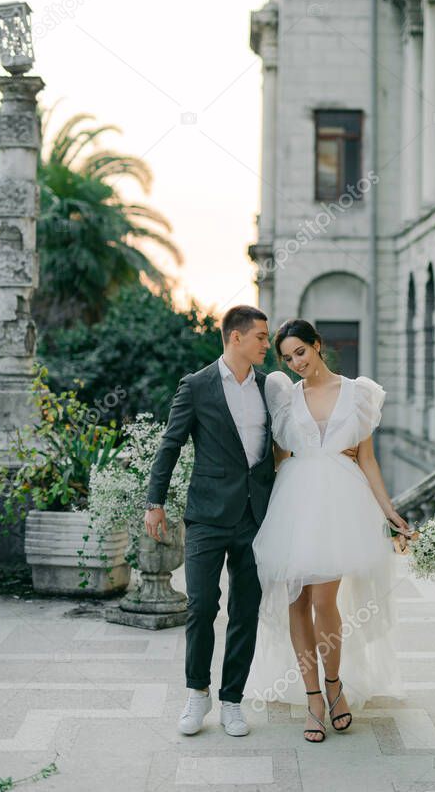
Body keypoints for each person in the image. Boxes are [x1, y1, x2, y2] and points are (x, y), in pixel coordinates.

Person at [243, 318, 411, 743]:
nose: (295, 362)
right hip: (296, 501)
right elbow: (280, 456)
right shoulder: (285, 396)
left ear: (318, 346)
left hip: (340, 502)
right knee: (296, 599)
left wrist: (389, 512)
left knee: (323, 599)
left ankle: (335, 684)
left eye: (301, 351)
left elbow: (367, 459)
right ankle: (313, 697)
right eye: (287, 357)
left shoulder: (359, 393)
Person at [143, 305, 276, 738]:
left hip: (257, 516)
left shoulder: (270, 388)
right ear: (235, 338)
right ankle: (196, 694)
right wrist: (154, 501)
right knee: (201, 605)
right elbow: (171, 444)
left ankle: (232, 701)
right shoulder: (196, 386)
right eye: (260, 336)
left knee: (246, 609)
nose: (266, 344)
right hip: (206, 516)